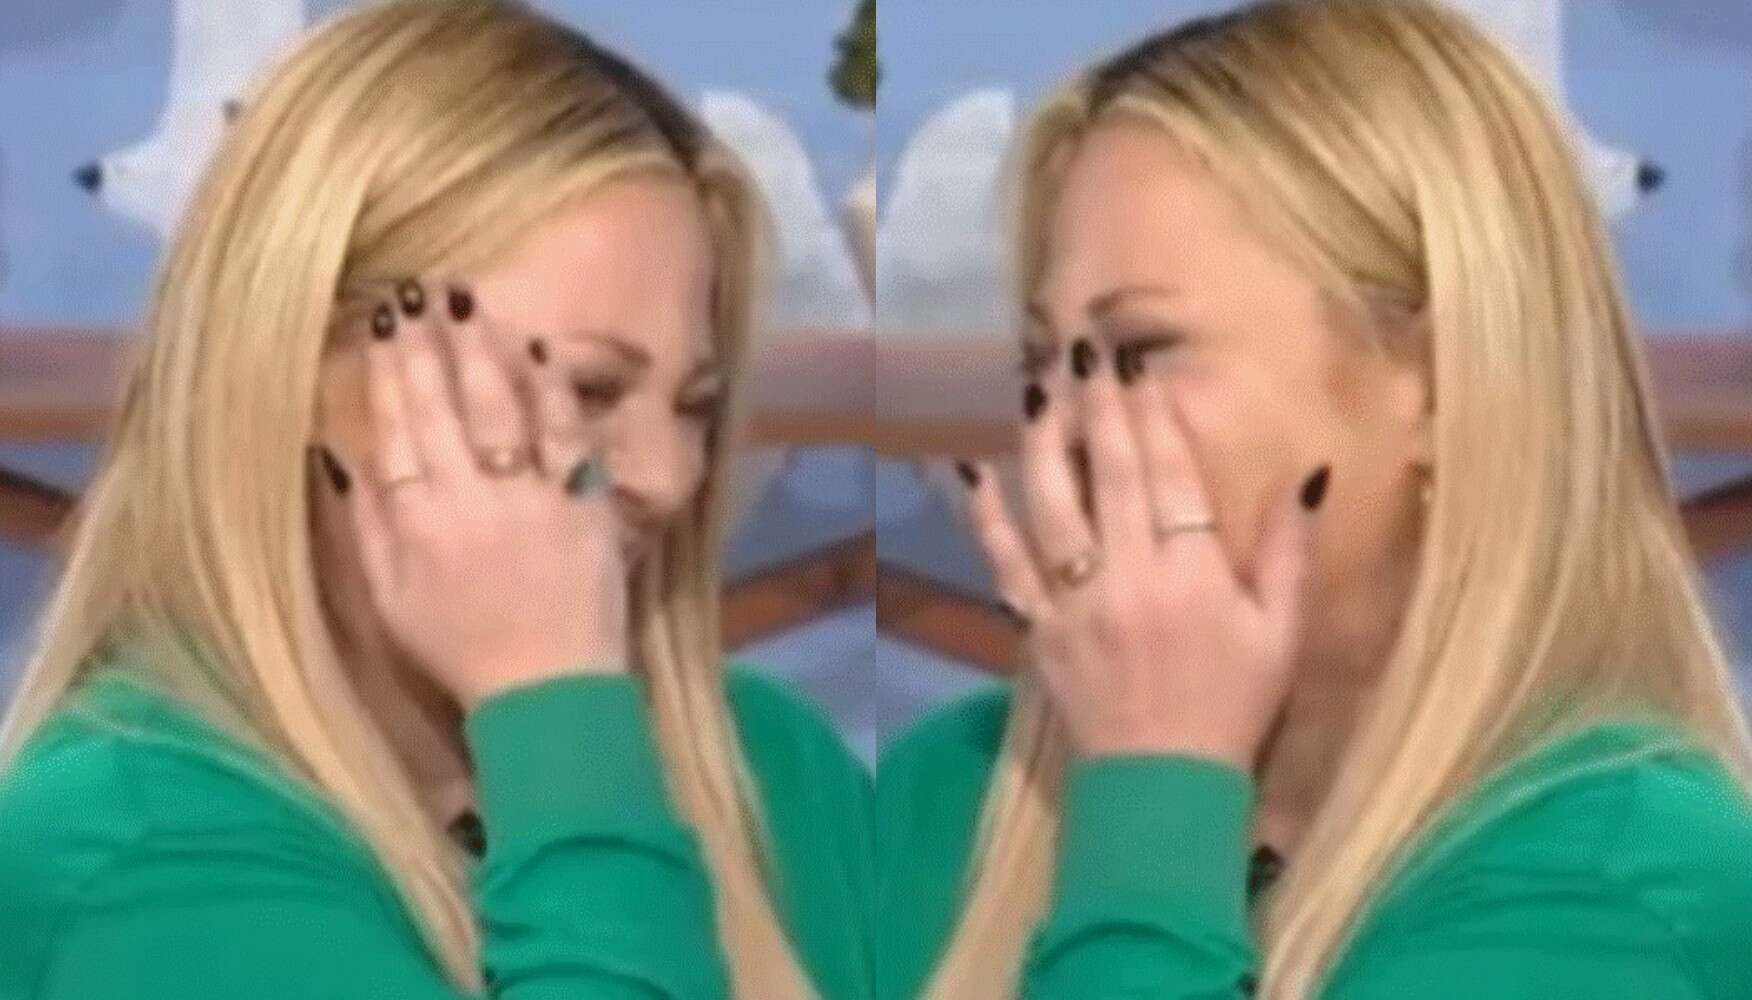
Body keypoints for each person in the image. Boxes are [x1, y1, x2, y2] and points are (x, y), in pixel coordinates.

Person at [877, 2, 1752, 998]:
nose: (1071, 431)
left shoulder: (1614, 885)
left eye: (1140, 352)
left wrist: (1151, 793)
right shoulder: (937, 794)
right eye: (1044, 365)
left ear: (1440, 385)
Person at [0, 2, 870, 997]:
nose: (669, 476)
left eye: (695, 406)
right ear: (299, 368)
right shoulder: (133, 862)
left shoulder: (776, 764)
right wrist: (557, 716)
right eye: (589, 390)